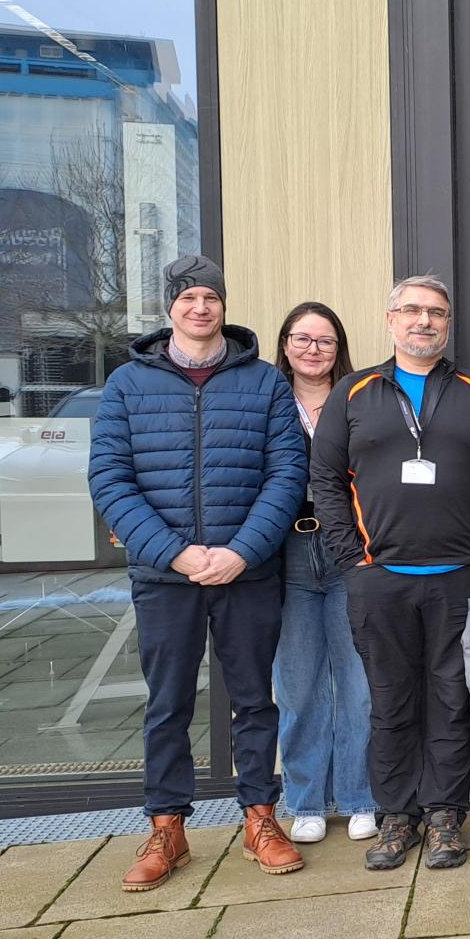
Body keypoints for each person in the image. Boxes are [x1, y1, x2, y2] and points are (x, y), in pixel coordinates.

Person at [88, 254, 308, 889]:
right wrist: (173, 552)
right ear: (170, 308)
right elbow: (109, 478)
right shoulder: (128, 384)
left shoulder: (264, 382)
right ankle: (167, 829)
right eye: (188, 298)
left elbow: (287, 472)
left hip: (247, 572)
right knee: (168, 704)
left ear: (223, 305)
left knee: (254, 700)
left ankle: (260, 820)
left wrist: (242, 551)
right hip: (166, 576)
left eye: (210, 297)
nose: (200, 307)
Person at [311, 274, 470, 873]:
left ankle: (444, 816)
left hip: (462, 579)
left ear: (448, 323)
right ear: (390, 320)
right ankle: (396, 816)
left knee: (452, 702)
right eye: (411, 310)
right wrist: (352, 558)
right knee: (389, 702)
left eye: (436, 312)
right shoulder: (354, 393)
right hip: (379, 578)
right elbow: (325, 479)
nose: (424, 321)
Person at [272, 302, 377, 845]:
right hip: (286, 551)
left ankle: (360, 798)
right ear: (285, 344)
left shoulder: (360, 397)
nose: (313, 349)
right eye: (302, 339)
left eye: (325, 340)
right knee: (298, 685)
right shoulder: (267, 397)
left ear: (340, 348)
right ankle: (307, 801)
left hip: (348, 549)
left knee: (359, 683)